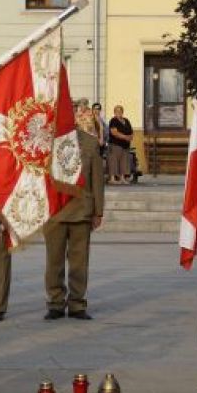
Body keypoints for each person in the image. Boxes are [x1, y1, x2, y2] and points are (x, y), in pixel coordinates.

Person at [44, 128, 105, 321]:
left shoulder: (89, 142)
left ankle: (77, 303)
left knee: (79, 261)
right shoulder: (45, 140)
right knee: (54, 261)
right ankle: (56, 303)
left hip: (81, 210)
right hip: (54, 211)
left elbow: (97, 178)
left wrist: (98, 210)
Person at [107, 105, 134, 183]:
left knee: (124, 162)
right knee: (114, 161)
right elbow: (114, 132)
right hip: (115, 144)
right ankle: (112, 179)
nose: (119, 112)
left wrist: (130, 137)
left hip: (125, 145)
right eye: (117, 111)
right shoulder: (113, 120)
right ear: (114, 112)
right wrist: (125, 137)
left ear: (122, 112)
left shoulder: (126, 120)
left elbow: (131, 131)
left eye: (120, 111)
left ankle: (122, 178)